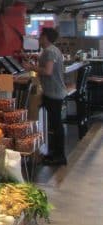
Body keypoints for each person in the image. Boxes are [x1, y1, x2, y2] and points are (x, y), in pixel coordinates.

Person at [25, 27, 67, 165]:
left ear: (46, 38)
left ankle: (59, 156)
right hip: (55, 92)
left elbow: (48, 71)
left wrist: (31, 67)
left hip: (53, 93)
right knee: (55, 125)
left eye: (41, 36)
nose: (39, 38)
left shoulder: (49, 51)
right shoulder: (52, 50)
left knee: (56, 125)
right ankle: (55, 154)